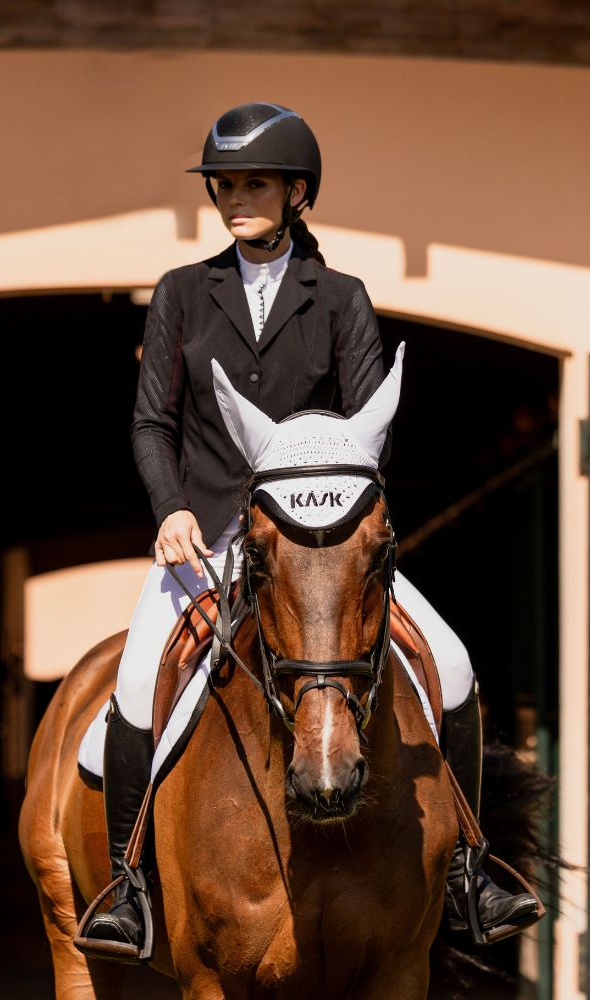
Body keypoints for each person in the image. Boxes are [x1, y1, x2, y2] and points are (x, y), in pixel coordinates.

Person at [77, 101, 539, 955]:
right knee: (137, 685)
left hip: (319, 542)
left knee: (454, 666)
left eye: (255, 184)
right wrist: (171, 509)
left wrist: (327, 510)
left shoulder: (342, 298)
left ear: (297, 193)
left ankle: (470, 871)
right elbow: (151, 422)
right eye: (226, 186)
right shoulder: (183, 293)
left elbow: (371, 425)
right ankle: (127, 887)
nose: (236, 199)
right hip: (208, 539)